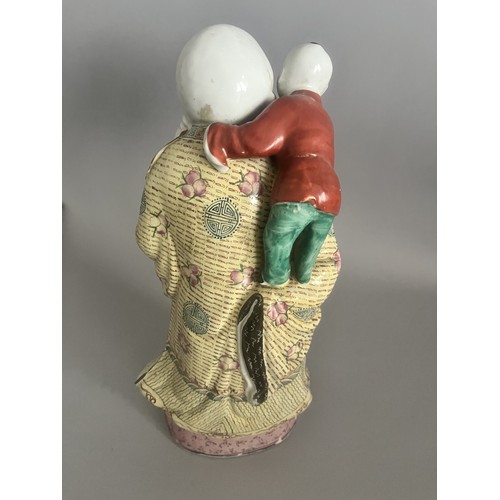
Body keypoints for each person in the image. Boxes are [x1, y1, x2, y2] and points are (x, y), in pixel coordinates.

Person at [135, 27, 341, 456]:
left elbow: (150, 237)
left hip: (202, 309)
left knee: (202, 344)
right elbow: (325, 253)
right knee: (280, 321)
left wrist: (179, 279)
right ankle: (265, 413)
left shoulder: (170, 162)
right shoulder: (281, 155)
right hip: (278, 316)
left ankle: (201, 422)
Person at [204, 43, 341, 286]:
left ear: (287, 73)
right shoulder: (325, 117)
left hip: (299, 189)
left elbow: (258, 139)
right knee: (311, 242)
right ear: (325, 86)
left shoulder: (291, 105)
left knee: (279, 236)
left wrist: (221, 138)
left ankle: (275, 279)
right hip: (331, 193)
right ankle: (303, 276)